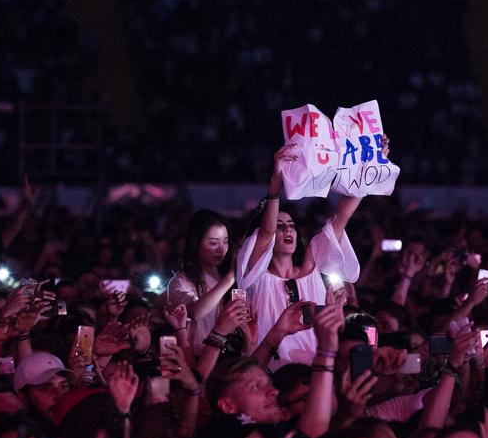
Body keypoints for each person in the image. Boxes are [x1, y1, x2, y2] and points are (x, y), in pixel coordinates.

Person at [236, 137, 389, 369]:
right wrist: (276, 179)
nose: (287, 228)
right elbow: (266, 233)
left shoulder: (313, 261)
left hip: (317, 370)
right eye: (279, 225)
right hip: (270, 372)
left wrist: (370, 165)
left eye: (290, 224)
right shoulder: (253, 276)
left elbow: (343, 215)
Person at [167, 210, 243, 357]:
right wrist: (229, 279)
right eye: (213, 243)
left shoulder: (231, 277)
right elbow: (196, 312)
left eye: (226, 241)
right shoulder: (182, 281)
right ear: (196, 242)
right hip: (197, 357)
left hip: (231, 358)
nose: (221, 249)